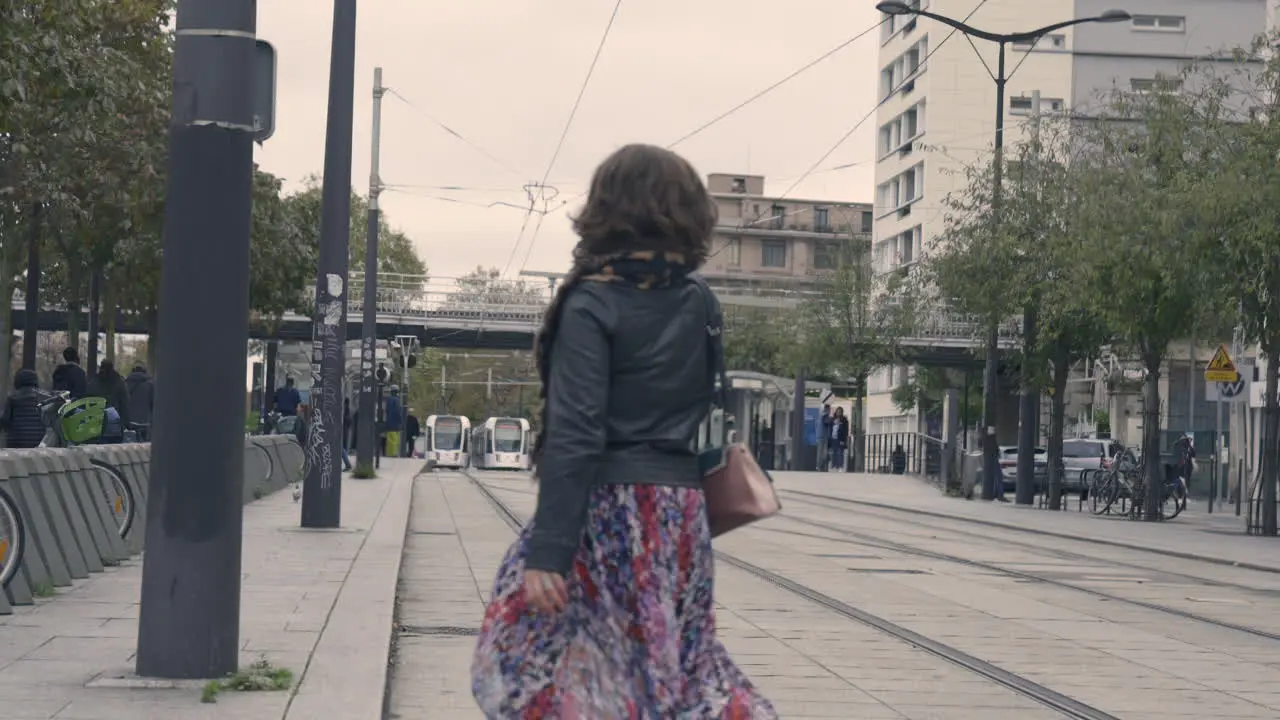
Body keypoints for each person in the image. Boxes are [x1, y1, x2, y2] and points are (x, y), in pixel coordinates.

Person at [470, 143, 776, 718]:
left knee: (519, 648)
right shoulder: (699, 301)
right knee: (674, 663)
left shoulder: (590, 303)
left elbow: (576, 432)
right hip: (680, 511)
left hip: (610, 512)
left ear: (604, 210)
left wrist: (550, 552)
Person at [1, 369, 47, 448]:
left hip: (16, 441)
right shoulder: (43, 398)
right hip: (38, 442)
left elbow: (5, 420)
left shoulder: (13, 398)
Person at [90, 360, 130, 430]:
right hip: (114, 421)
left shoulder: (94, 382)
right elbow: (124, 405)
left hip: (96, 422)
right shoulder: (119, 382)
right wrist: (125, 424)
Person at [125, 364, 155, 441]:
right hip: (145, 421)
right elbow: (153, 404)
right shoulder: (150, 385)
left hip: (129, 421)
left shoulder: (125, 384)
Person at [383, 386, 403, 458]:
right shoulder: (397, 400)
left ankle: (390, 453)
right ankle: (394, 453)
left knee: (390, 440)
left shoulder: (389, 400)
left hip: (389, 423)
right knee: (395, 439)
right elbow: (398, 412)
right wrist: (400, 421)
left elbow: (387, 411)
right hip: (396, 424)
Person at [828, 406, 849, 472]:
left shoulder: (844, 420)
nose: (838, 413)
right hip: (833, 438)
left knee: (840, 453)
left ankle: (840, 466)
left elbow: (846, 431)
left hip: (840, 438)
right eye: (837, 412)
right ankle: (834, 466)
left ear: (842, 412)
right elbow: (830, 428)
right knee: (833, 453)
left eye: (840, 412)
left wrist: (844, 440)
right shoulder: (832, 419)